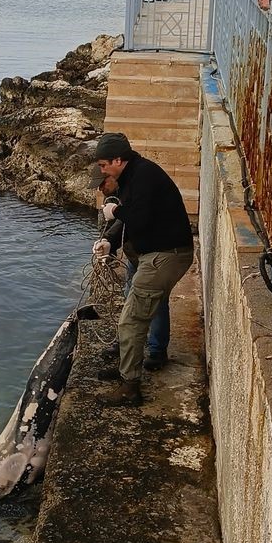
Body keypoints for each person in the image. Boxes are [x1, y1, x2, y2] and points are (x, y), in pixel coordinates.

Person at [92, 132, 193, 406]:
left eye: (103, 166)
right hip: (152, 254)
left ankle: (130, 387)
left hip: (166, 255)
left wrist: (116, 213)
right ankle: (132, 363)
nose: (101, 172)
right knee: (140, 305)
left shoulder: (144, 177)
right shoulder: (131, 177)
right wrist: (108, 242)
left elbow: (139, 219)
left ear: (117, 160)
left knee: (131, 320)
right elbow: (129, 221)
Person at [89, 164, 171, 370]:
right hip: (137, 255)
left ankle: (156, 351)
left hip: (155, 254)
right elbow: (120, 225)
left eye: (102, 184)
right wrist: (108, 243)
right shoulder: (117, 195)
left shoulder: (134, 190)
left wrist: (116, 215)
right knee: (130, 299)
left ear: (112, 175)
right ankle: (129, 343)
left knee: (157, 302)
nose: (100, 190)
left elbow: (133, 219)